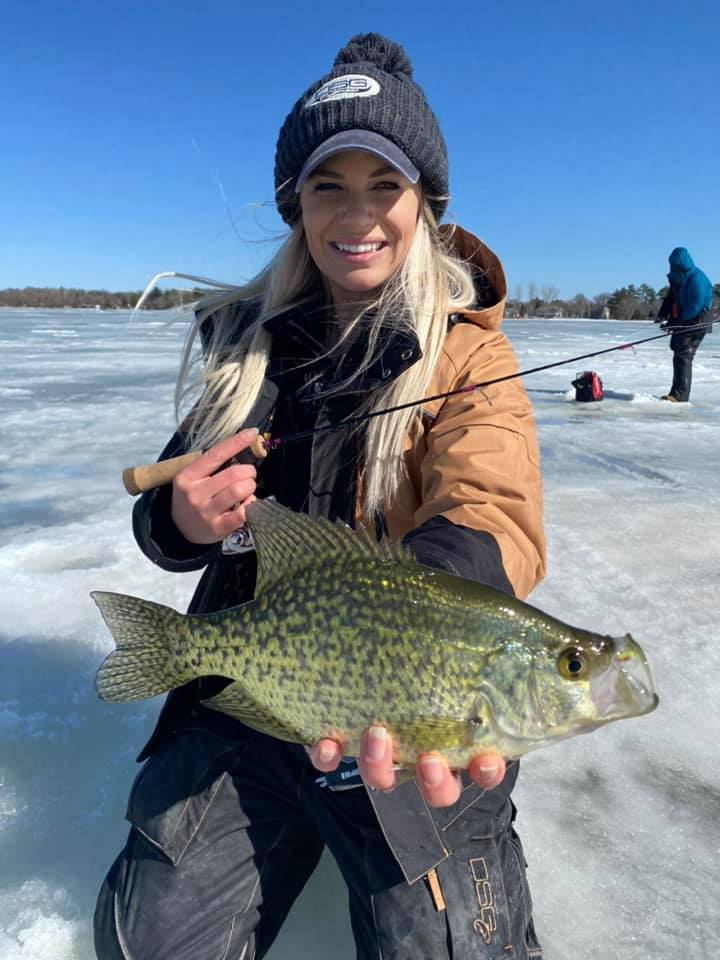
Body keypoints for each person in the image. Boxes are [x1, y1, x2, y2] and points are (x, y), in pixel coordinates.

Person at [94, 33, 546, 960]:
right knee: (149, 941)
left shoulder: (469, 354)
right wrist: (182, 516)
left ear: (426, 204)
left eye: (385, 185)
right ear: (295, 206)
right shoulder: (250, 350)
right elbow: (172, 503)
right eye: (327, 186)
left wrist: (407, 640)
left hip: (407, 696)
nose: (358, 214)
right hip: (259, 690)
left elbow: (489, 501)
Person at [655, 246, 713, 402]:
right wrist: (663, 314)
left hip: (698, 320)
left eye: (675, 265)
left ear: (683, 264)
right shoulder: (678, 278)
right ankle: (676, 393)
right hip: (684, 318)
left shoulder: (697, 279)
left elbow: (695, 306)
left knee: (684, 355)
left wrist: (676, 321)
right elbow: (670, 297)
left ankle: (679, 396)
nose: (672, 267)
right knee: (678, 349)